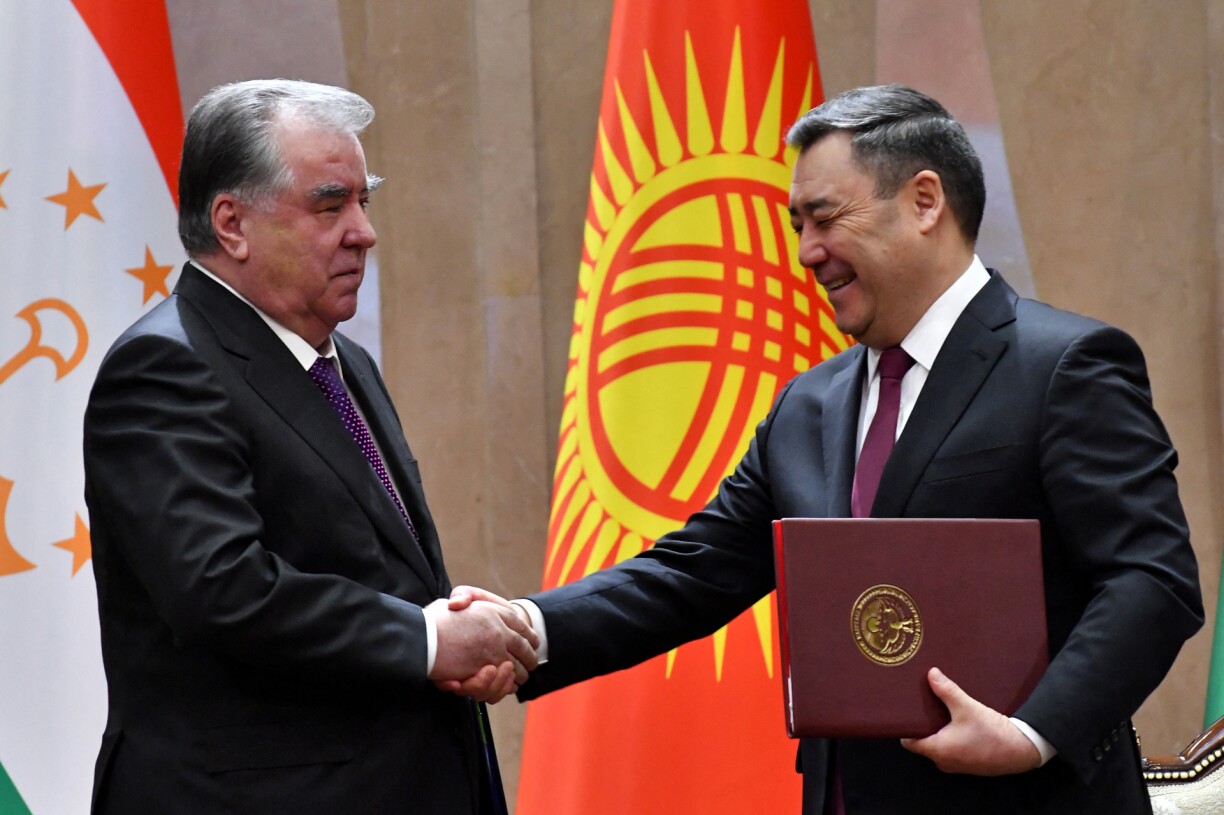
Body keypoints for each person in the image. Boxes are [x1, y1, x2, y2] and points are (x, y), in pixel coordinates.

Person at [448, 85, 1204, 813]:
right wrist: (527, 626)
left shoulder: (1065, 366)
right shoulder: (808, 404)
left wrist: (1031, 732)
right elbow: (696, 570)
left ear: (925, 201)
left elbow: (1151, 576)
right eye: (796, 225)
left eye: (825, 217)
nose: (808, 252)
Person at [83, 79, 537, 814]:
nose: (363, 230)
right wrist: (424, 640)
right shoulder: (166, 366)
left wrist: (450, 634)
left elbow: (380, 567)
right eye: (330, 205)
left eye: (364, 200)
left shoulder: (339, 358)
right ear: (232, 223)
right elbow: (220, 587)